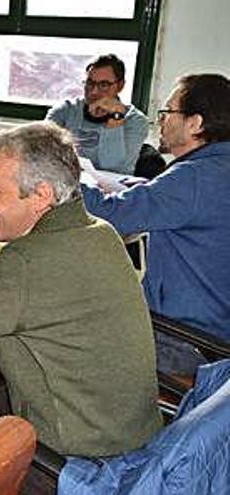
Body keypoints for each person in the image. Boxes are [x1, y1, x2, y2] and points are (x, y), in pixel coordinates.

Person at [0, 122, 162, 493]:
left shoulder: (26, 263)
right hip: (129, 433)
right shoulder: (99, 230)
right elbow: (29, 297)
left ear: (41, 195)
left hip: (82, 471)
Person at [82, 73, 230, 375]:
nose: (160, 120)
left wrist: (59, 176)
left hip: (184, 341)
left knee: (62, 329)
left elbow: (110, 215)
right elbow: (167, 197)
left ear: (195, 123)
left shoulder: (194, 179)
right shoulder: (215, 169)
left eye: (168, 112)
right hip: (218, 330)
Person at [46, 54, 149, 175]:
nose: (94, 91)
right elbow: (41, 154)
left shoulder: (136, 121)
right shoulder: (65, 111)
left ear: (120, 86)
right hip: (67, 185)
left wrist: (116, 119)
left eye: (103, 85)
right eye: (90, 83)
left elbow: (112, 166)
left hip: (112, 190)